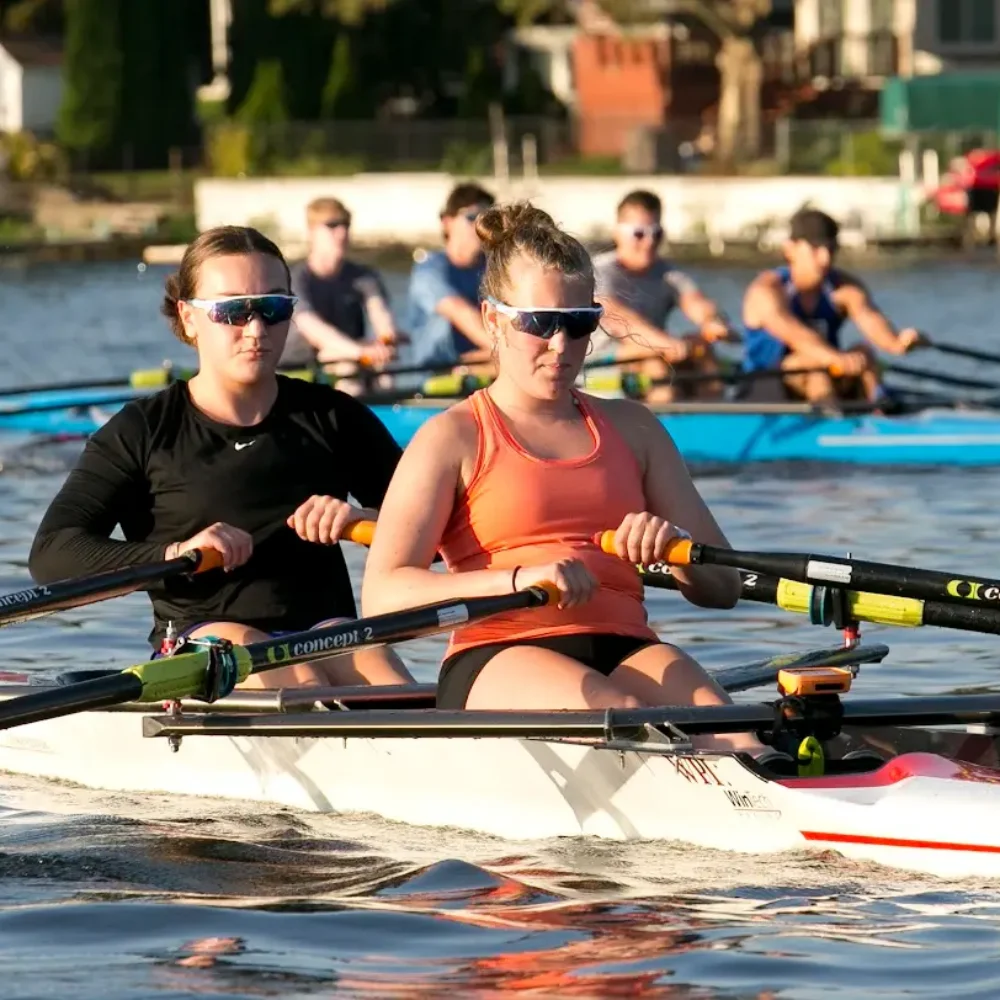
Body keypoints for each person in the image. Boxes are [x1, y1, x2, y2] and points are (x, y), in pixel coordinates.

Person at [362, 201, 776, 761]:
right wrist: (517, 579)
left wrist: (673, 548)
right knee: (630, 725)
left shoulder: (636, 429)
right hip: (499, 655)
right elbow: (385, 598)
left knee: (740, 742)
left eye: (579, 324)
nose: (562, 346)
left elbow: (724, 588)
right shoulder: (450, 437)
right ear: (492, 319)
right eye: (539, 323)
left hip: (627, 647)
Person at [29, 225, 413, 690]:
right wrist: (174, 553)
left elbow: (436, 536)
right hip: (202, 640)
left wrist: (364, 517)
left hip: (324, 633)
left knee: (371, 660)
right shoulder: (141, 431)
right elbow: (52, 554)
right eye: (233, 311)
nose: (256, 329)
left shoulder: (335, 417)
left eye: (274, 308)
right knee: (288, 670)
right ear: (189, 318)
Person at [741, 208, 925, 404]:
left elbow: (871, 319)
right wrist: (833, 358)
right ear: (790, 249)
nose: (825, 259)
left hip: (827, 369)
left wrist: (898, 342)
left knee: (864, 352)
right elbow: (796, 336)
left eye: (831, 249)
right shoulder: (767, 290)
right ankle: (834, 424)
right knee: (815, 368)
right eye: (815, 249)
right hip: (764, 385)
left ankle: (879, 411)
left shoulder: (843, 288)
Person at [592, 190, 732, 403]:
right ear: (617, 233)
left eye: (656, 234)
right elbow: (615, 317)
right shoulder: (599, 271)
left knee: (702, 352)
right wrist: (664, 343)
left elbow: (695, 302)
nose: (649, 243)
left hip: (653, 356)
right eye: (639, 234)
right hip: (596, 369)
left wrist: (713, 322)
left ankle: (713, 417)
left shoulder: (667, 273)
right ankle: (663, 420)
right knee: (653, 362)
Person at [281, 197, 398, 389]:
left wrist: (385, 340)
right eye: (332, 225)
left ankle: (389, 411)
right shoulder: (294, 279)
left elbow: (380, 313)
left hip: (348, 352)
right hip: (298, 367)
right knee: (346, 366)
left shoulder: (363, 276)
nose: (342, 232)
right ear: (312, 232)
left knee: (385, 366)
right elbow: (313, 329)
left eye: (346, 225)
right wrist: (362, 352)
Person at [406, 182, 496, 368]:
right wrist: (509, 354)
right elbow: (459, 312)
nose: (481, 227)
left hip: (485, 364)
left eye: (488, 220)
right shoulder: (429, 270)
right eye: (472, 218)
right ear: (447, 223)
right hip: (436, 377)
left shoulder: (494, 268)